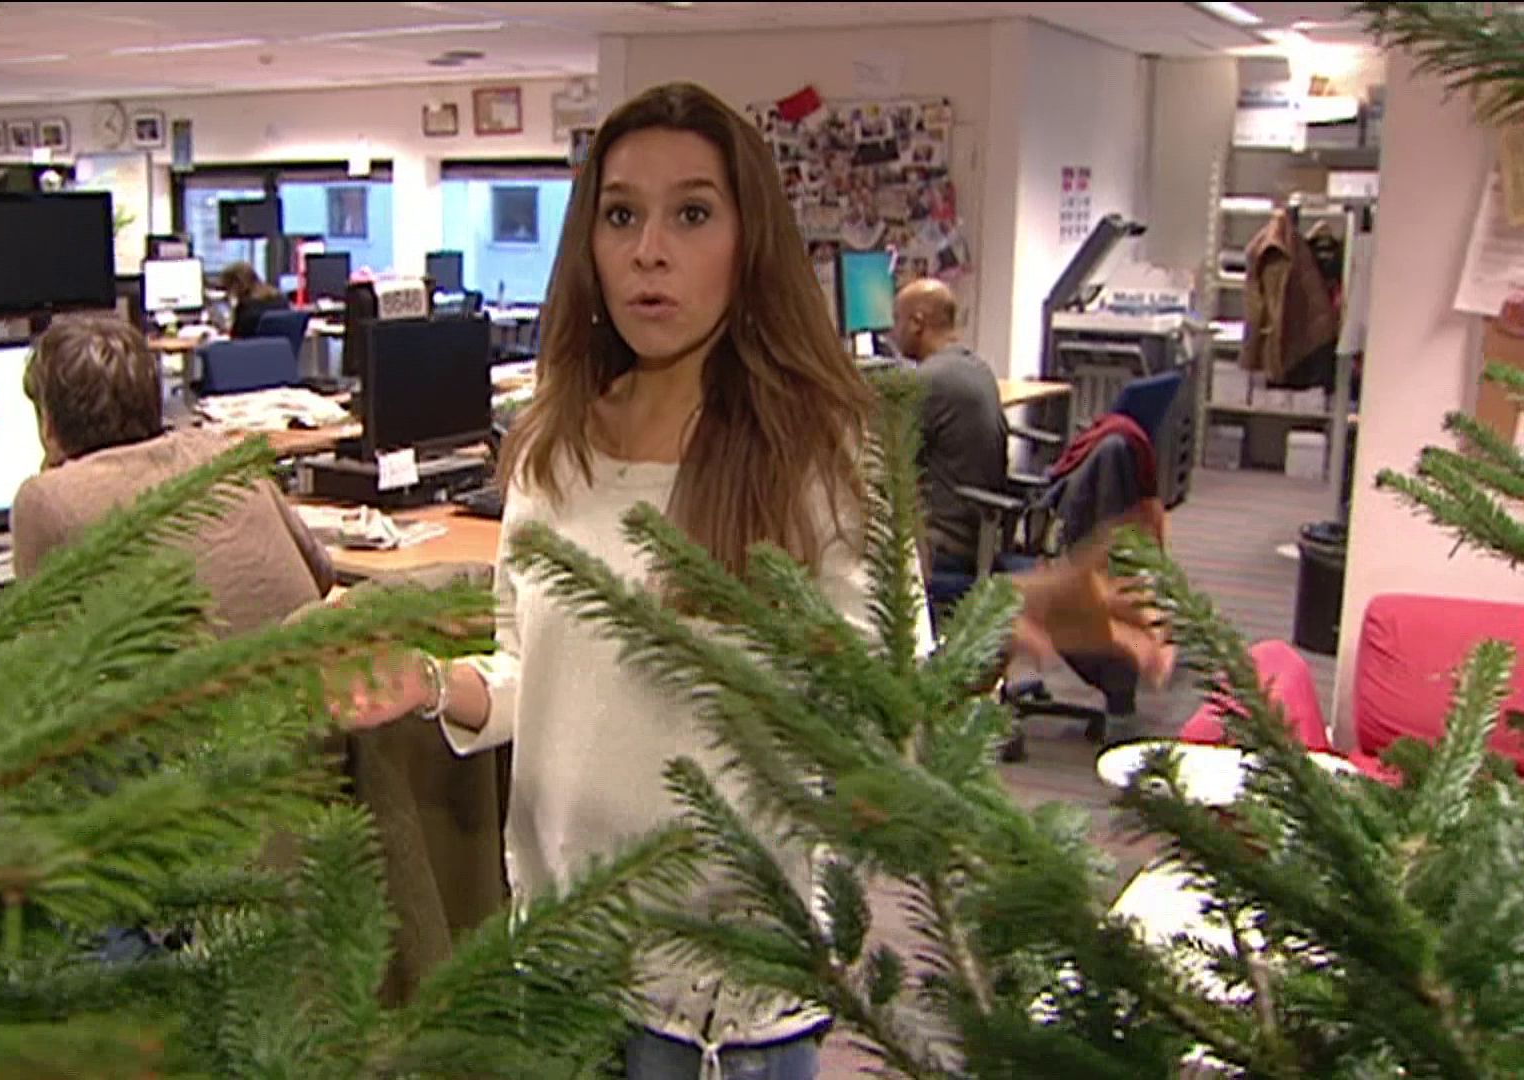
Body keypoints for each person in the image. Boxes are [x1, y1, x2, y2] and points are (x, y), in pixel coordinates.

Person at [337, 82, 1165, 1079]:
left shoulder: (818, 455)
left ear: (750, 243)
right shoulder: (554, 447)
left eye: (692, 214)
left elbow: (880, 711)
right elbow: (534, 672)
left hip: (720, 993)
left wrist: (1012, 613)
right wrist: (434, 684)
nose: (650, 251)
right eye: (621, 216)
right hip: (562, 951)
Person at [10, 314, 332, 632]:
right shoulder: (219, 451)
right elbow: (322, 574)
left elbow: (35, 647)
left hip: (210, 669)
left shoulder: (46, 500)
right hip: (310, 660)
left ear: (48, 423)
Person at [894, 277, 1015, 577]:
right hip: (977, 540)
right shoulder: (978, 368)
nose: (892, 332)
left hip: (943, 549)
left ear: (916, 323)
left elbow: (886, 455)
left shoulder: (928, 380)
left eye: (897, 320)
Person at [219, 262, 287, 340]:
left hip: (252, 347)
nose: (228, 292)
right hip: (282, 347)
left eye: (227, 287)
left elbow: (237, 339)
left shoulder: (246, 308)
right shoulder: (280, 298)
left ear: (237, 284)